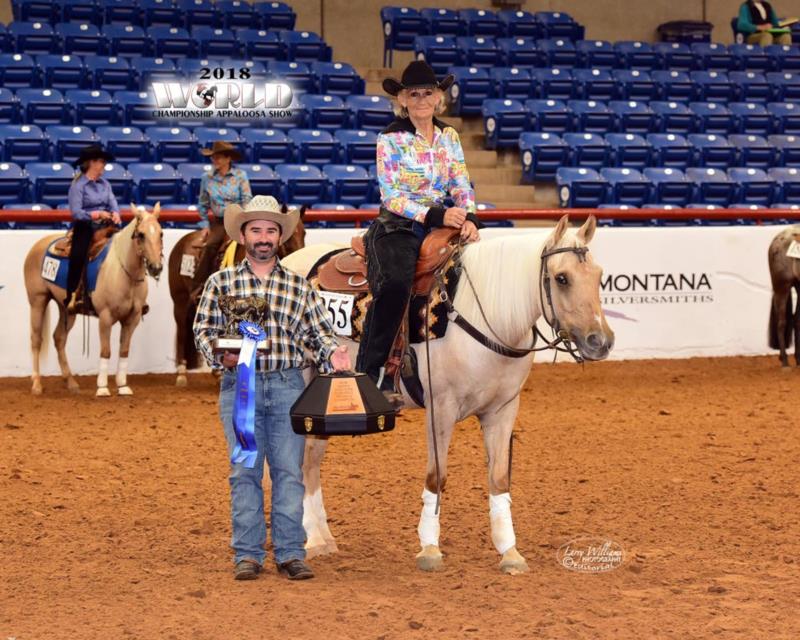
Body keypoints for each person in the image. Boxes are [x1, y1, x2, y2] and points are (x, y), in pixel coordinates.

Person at [193, 195, 351, 581]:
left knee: (288, 472)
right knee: (244, 473)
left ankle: (290, 551)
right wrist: (220, 355)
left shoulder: (299, 287)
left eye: (270, 230)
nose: (263, 237)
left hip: (286, 386)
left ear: (280, 236)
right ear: (243, 235)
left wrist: (334, 355)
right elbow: (203, 332)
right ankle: (247, 554)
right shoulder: (220, 283)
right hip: (239, 385)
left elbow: (319, 334)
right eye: (256, 230)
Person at [356, 60, 481, 405]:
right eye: (414, 94)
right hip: (399, 225)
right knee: (395, 284)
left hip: (444, 223)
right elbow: (391, 196)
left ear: (439, 97)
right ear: (403, 100)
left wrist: (469, 216)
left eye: (428, 93)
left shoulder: (449, 136)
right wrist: (437, 213)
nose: (422, 99)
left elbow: (460, 182)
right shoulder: (390, 139)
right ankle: (370, 373)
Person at [191, 140, 252, 298]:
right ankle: (199, 288)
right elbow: (203, 204)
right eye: (213, 158)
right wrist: (205, 224)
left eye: (218, 157)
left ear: (228, 159)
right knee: (210, 246)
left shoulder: (240, 176)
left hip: (238, 220)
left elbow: (246, 199)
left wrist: (243, 219)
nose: (215, 161)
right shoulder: (207, 178)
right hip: (219, 222)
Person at [66, 144, 121, 312]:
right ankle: (73, 294)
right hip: (86, 226)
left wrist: (116, 214)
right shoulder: (78, 186)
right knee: (78, 254)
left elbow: (113, 203)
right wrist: (97, 214)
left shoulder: (105, 184)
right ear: (92, 163)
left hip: (107, 225)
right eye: (101, 162)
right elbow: (77, 213)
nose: (104, 165)